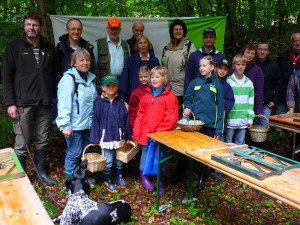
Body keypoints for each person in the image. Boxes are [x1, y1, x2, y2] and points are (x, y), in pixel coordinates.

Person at [1, 12, 57, 184]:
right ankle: (22, 176)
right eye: (28, 24)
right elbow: (6, 77)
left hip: (45, 102)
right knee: (22, 141)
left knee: (43, 138)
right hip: (22, 103)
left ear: (40, 27)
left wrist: (53, 97)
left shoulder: (48, 47)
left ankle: (41, 173)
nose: (31, 28)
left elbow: (54, 75)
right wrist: (10, 103)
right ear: (24, 26)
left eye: (35, 25)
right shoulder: (14, 47)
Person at [133, 66, 178, 195]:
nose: (154, 79)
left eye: (157, 77)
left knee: (160, 157)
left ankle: (161, 181)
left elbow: (171, 119)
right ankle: (144, 177)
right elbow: (140, 115)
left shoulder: (170, 97)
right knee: (145, 155)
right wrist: (137, 132)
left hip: (160, 135)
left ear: (165, 79)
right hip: (146, 134)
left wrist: (157, 133)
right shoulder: (146, 96)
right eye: (152, 77)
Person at [183, 55, 224, 190]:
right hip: (195, 124)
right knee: (190, 150)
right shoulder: (194, 82)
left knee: (206, 152)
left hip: (210, 125)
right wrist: (187, 107)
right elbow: (187, 98)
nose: (201, 68)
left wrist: (219, 129)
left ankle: (202, 177)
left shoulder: (217, 84)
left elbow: (221, 108)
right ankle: (183, 174)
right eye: (200, 66)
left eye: (204, 65)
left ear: (212, 67)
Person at [56, 48, 97, 179]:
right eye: (81, 60)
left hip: (87, 124)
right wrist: (65, 124)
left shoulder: (91, 78)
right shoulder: (68, 79)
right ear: (74, 63)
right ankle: (70, 181)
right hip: (73, 126)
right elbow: (63, 103)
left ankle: (81, 178)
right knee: (74, 153)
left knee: (84, 152)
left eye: (87, 60)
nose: (85, 63)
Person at [89, 75, 132, 193]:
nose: (111, 88)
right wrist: (94, 138)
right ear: (103, 87)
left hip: (119, 137)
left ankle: (119, 175)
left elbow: (125, 120)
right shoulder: (99, 103)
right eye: (108, 86)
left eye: (114, 85)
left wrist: (128, 135)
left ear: (117, 86)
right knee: (107, 160)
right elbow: (95, 121)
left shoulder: (121, 103)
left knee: (119, 159)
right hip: (106, 137)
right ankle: (106, 180)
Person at [53, 18, 97, 123]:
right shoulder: (60, 48)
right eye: (73, 29)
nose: (76, 32)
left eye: (78, 29)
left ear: (81, 30)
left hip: (84, 93)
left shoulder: (87, 48)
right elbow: (55, 71)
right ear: (67, 30)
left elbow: (94, 69)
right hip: (66, 91)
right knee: (66, 123)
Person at [161, 19, 196, 112]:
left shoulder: (189, 47)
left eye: (180, 29)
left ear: (184, 31)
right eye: (175, 29)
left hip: (181, 89)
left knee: (180, 116)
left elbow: (193, 68)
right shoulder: (166, 48)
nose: (178, 31)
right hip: (167, 88)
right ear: (172, 32)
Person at [119, 34, 159, 102]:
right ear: (137, 45)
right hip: (134, 97)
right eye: (140, 43)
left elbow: (158, 79)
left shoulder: (154, 60)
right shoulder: (131, 60)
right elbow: (124, 79)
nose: (143, 45)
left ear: (148, 44)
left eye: (145, 42)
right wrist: (121, 97)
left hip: (151, 97)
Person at [225, 54, 255, 145]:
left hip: (243, 119)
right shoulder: (229, 81)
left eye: (243, 64)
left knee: (240, 145)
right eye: (238, 64)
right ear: (233, 66)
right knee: (227, 144)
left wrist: (250, 119)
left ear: (246, 66)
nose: (240, 67)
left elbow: (251, 102)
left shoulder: (249, 83)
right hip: (231, 119)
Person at [184, 27, 225, 92]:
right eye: (206, 37)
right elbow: (188, 77)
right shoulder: (194, 55)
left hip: (214, 94)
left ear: (215, 39)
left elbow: (223, 77)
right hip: (196, 94)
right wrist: (187, 95)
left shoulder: (220, 56)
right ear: (202, 39)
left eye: (211, 37)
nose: (208, 39)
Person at [214, 59, 235, 181]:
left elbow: (230, 101)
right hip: (207, 119)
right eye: (220, 68)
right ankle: (204, 169)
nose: (222, 71)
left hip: (220, 120)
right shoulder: (209, 82)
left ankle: (218, 170)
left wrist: (222, 110)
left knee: (219, 144)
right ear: (215, 68)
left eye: (225, 69)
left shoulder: (226, 86)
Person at [256, 41, 282, 122]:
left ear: (268, 52)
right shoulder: (251, 65)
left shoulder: (273, 65)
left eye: (265, 49)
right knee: (249, 128)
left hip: (266, 104)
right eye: (260, 49)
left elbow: (278, 84)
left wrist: (274, 100)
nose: (262, 52)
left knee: (264, 128)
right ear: (256, 50)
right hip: (251, 104)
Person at [277, 33, 300, 114]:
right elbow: (277, 76)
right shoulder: (282, 57)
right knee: (281, 123)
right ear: (291, 42)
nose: (298, 43)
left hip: (298, 97)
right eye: (295, 41)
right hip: (282, 96)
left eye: (299, 41)